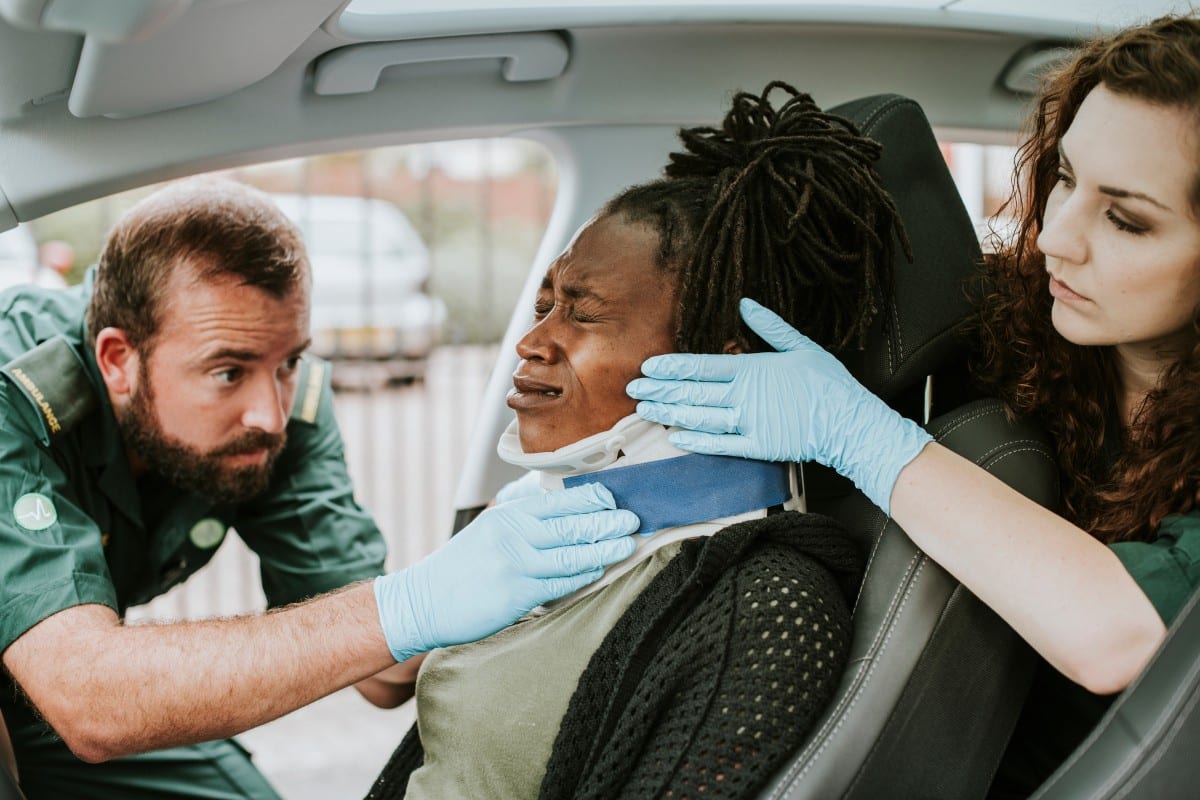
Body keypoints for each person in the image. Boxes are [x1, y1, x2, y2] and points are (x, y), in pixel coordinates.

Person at [627, 14, 1200, 796]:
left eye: (1127, 219)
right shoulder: (1001, 326)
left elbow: (1122, 635)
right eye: (1064, 177)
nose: (1053, 237)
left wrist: (862, 436)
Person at [0, 177, 641, 800]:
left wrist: (502, 576)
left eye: (288, 362)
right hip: (65, 688)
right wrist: (408, 604)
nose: (270, 415)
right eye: (227, 372)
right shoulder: (13, 394)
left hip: (59, 698)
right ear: (118, 360)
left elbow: (386, 671)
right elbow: (90, 698)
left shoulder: (281, 406)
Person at [366, 82, 902, 800]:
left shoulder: (767, 605)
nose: (531, 340)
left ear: (718, 357)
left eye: (581, 315)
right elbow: (387, 679)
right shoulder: (533, 516)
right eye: (544, 306)